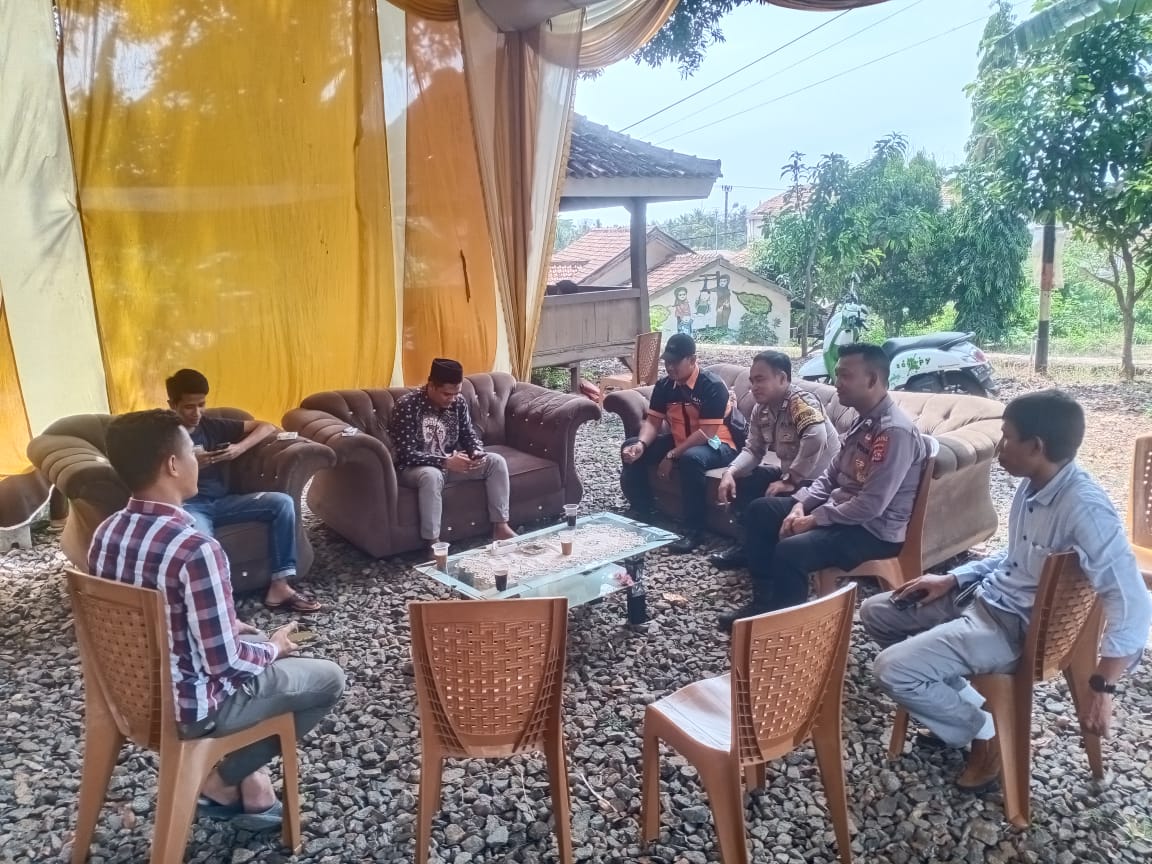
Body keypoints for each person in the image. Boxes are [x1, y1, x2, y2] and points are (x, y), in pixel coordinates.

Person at [861, 390, 1151, 792]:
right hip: (983, 597)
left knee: (892, 669)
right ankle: (967, 706)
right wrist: (953, 579)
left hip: (1012, 628)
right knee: (877, 612)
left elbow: (1132, 601)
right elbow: (1015, 556)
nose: (1000, 446)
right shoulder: (1033, 484)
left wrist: (1103, 686)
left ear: (1036, 446)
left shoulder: (1085, 508)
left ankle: (987, 731)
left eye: (1007, 436)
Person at [89, 410, 345, 829]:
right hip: (189, 710)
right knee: (327, 679)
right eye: (191, 451)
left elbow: (151, 619)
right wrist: (273, 647)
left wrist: (230, 627)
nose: (197, 459)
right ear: (173, 464)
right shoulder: (196, 549)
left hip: (129, 698)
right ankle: (222, 780)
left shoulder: (106, 533)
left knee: (253, 643)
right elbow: (224, 662)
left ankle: (250, 782)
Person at [717, 343, 927, 631]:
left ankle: (785, 628)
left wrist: (814, 518)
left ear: (872, 380)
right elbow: (830, 475)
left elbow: (871, 505)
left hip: (871, 530)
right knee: (760, 511)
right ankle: (765, 603)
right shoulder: (863, 420)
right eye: (837, 374)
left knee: (791, 551)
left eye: (845, 375)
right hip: (842, 513)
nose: (836, 383)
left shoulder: (893, 432)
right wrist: (801, 504)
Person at [165, 369, 320, 613]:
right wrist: (190, 464)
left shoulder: (211, 426)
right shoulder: (162, 433)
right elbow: (152, 474)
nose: (197, 413)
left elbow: (266, 426)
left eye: (201, 404)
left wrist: (239, 448)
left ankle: (280, 585)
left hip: (223, 502)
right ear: (172, 405)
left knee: (282, 503)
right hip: (189, 506)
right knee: (203, 544)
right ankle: (213, 606)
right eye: (188, 407)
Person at [710, 350, 840, 569]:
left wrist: (790, 479)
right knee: (745, 480)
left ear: (782, 378)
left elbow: (816, 437)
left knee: (763, 507)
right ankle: (745, 547)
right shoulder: (761, 409)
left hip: (819, 484)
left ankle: (766, 563)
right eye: (752, 381)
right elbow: (753, 450)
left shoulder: (801, 402)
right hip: (792, 477)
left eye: (760, 379)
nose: (754, 386)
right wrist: (730, 472)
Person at [620, 333, 738, 554]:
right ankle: (644, 511)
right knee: (631, 444)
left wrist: (672, 454)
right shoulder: (665, 386)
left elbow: (707, 433)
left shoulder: (712, 386)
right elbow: (653, 422)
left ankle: (694, 531)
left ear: (692, 360)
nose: (670, 367)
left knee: (691, 458)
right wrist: (642, 445)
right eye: (667, 362)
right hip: (681, 441)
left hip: (719, 444)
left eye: (675, 362)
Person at [390, 358, 517, 551]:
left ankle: (501, 527)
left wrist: (476, 452)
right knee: (432, 476)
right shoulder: (407, 405)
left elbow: (468, 434)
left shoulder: (458, 402)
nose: (452, 398)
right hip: (415, 468)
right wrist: (445, 462)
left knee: (496, 462)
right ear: (431, 385)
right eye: (446, 394)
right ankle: (433, 543)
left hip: (451, 462)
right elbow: (406, 453)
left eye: (456, 393)